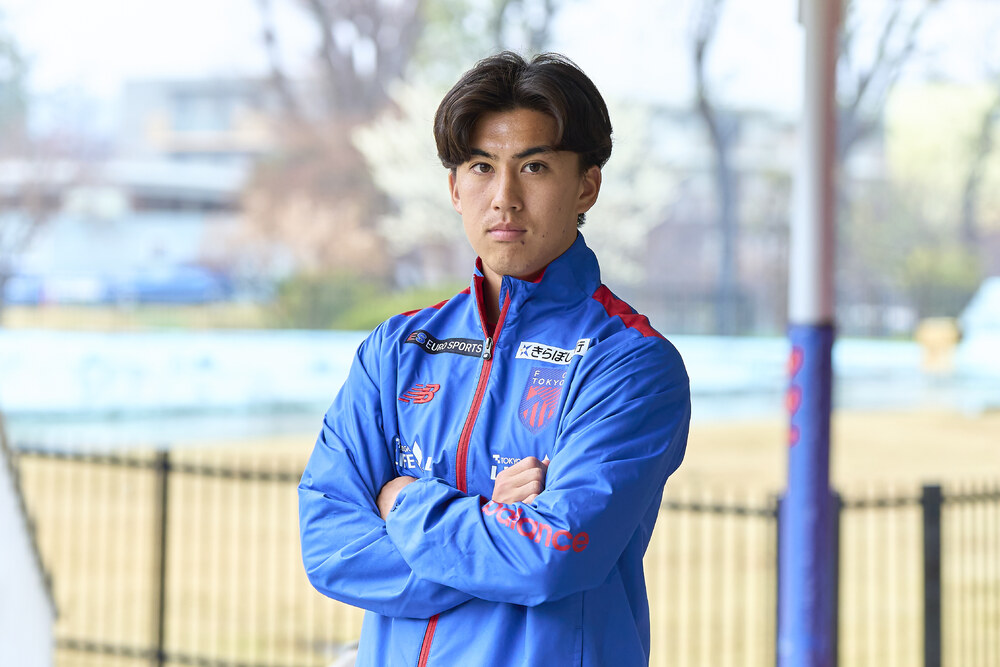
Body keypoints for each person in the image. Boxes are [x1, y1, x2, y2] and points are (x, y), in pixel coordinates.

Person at [298, 51, 690, 667]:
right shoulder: (396, 350)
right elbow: (330, 548)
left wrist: (403, 503)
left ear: (586, 186)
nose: (504, 198)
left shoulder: (630, 365)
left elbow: (549, 559)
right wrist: (492, 525)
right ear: (455, 188)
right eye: (482, 166)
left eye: (534, 166)